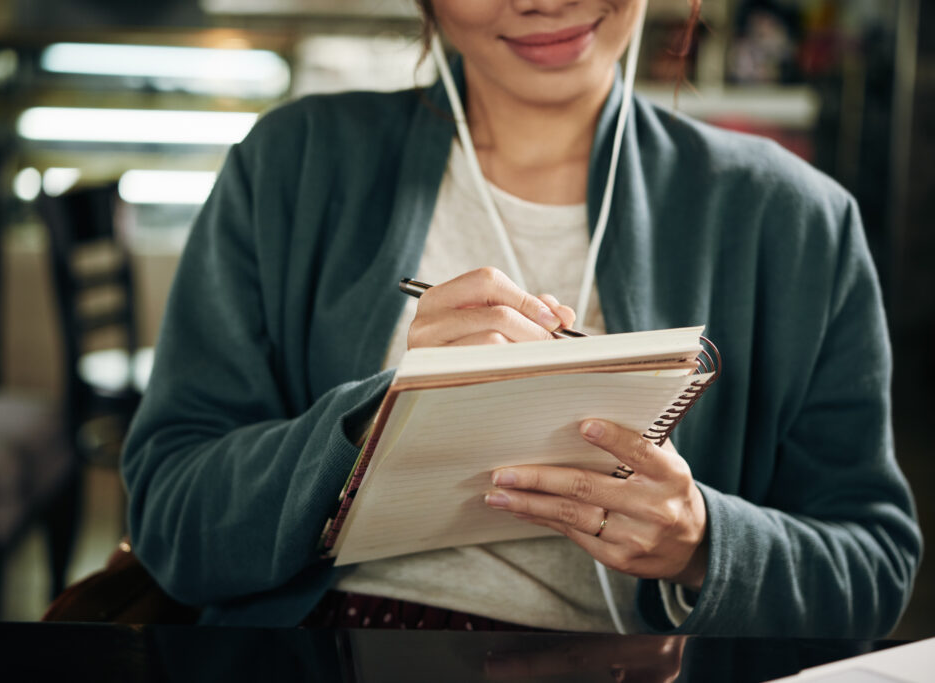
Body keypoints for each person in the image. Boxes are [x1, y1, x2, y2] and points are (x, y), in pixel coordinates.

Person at [122, 0, 921, 636]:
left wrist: (705, 542)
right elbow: (172, 520)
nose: (545, 1)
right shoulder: (293, 164)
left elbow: (873, 570)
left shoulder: (794, 219)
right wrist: (371, 419)